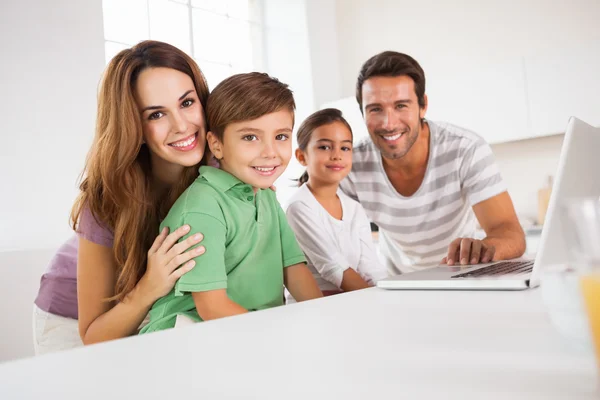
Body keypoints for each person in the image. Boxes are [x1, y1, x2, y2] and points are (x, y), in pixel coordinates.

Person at [33, 40, 212, 353]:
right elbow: (93, 334)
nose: (182, 126)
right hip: (74, 319)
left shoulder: (220, 170)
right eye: (156, 115)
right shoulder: (108, 197)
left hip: (153, 312)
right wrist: (150, 286)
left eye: (187, 103)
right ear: (134, 126)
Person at [139, 72, 323, 334]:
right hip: (187, 333)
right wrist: (275, 335)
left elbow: (293, 269)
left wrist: (324, 318)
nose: (270, 152)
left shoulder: (266, 195)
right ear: (216, 145)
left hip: (246, 327)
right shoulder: (203, 206)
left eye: (281, 136)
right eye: (250, 137)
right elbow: (212, 308)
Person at [340, 51, 526, 275]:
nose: (388, 124)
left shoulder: (465, 149)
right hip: (394, 282)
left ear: (423, 105)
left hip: (460, 274)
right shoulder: (351, 163)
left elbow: (510, 233)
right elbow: (339, 240)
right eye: (375, 109)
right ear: (362, 112)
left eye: (401, 106)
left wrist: (486, 248)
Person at [285, 108, 387, 302]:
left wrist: (391, 295)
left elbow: (371, 268)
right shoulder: (299, 207)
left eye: (345, 148)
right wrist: (377, 302)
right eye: (324, 147)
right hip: (315, 307)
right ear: (301, 156)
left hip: (353, 298)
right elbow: (334, 268)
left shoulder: (354, 208)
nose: (337, 155)